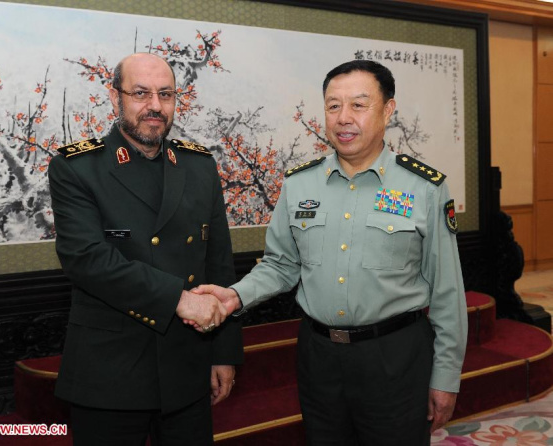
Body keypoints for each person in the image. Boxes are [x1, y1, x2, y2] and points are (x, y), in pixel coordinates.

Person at [194, 60, 468, 445]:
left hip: (396, 357)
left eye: (359, 104)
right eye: (333, 105)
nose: (343, 118)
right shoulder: (299, 184)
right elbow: (280, 265)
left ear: (387, 110)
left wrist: (445, 377)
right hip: (319, 357)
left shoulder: (424, 187)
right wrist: (236, 295)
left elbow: (447, 291)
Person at [48, 53, 243, 446]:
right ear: (114, 97)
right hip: (110, 371)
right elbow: (87, 259)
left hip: (188, 364)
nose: (155, 105)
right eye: (140, 93)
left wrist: (224, 353)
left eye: (165, 94)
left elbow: (218, 263)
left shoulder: (199, 165)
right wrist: (179, 300)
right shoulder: (77, 167)